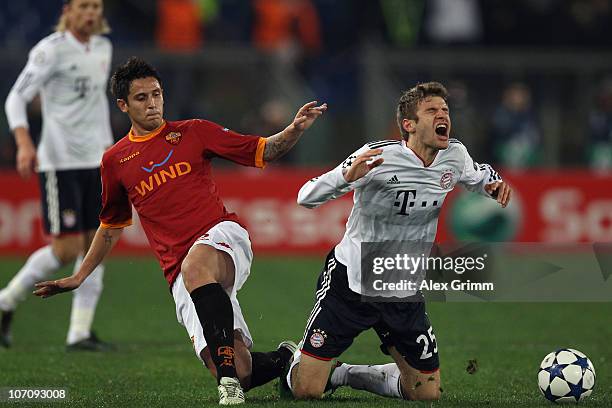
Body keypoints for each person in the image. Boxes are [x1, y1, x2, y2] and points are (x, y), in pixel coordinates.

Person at [33, 56, 327, 405]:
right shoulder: (114, 161)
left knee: (197, 267)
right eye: (142, 98)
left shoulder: (193, 131)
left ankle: (228, 387)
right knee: (240, 368)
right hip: (179, 272)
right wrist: (79, 276)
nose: (153, 103)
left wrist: (294, 129)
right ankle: (283, 360)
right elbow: (111, 226)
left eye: (157, 94)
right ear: (123, 105)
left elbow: (262, 150)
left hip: (222, 237)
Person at [284, 82, 511, 401]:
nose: (442, 115)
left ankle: (343, 373)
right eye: (431, 110)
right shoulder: (377, 157)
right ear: (409, 125)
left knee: (426, 393)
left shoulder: (454, 155)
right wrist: (345, 176)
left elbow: (477, 174)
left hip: (403, 287)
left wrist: (492, 184)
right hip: (351, 282)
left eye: (444, 110)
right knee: (306, 390)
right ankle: (292, 360)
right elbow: (305, 197)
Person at [1, 0, 114, 351]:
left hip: (99, 160)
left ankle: (79, 332)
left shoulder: (103, 47)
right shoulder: (50, 51)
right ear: (68, 10)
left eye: (95, 6)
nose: (90, 13)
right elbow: (16, 98)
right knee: (65, 250)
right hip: (60, 162)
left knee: (99, 243)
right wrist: (23, 142)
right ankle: (5, 301)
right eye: (83, 6)